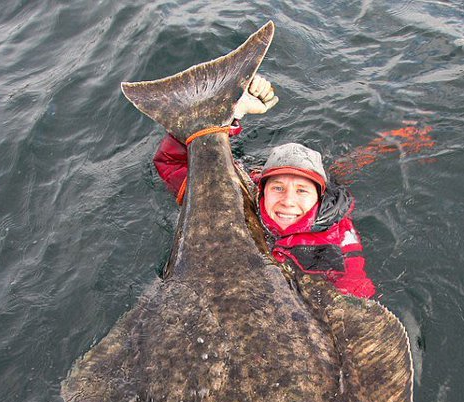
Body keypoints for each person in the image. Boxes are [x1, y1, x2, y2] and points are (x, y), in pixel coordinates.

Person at [153, 76, 376, 299]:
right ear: (262, 189)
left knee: (347, 167)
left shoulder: (335, 234)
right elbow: (172, 163)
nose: (288, 201)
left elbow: (355, 292)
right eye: (278, 188)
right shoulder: (238, 198)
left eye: (302, 190)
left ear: (319, 196)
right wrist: (232, 111)